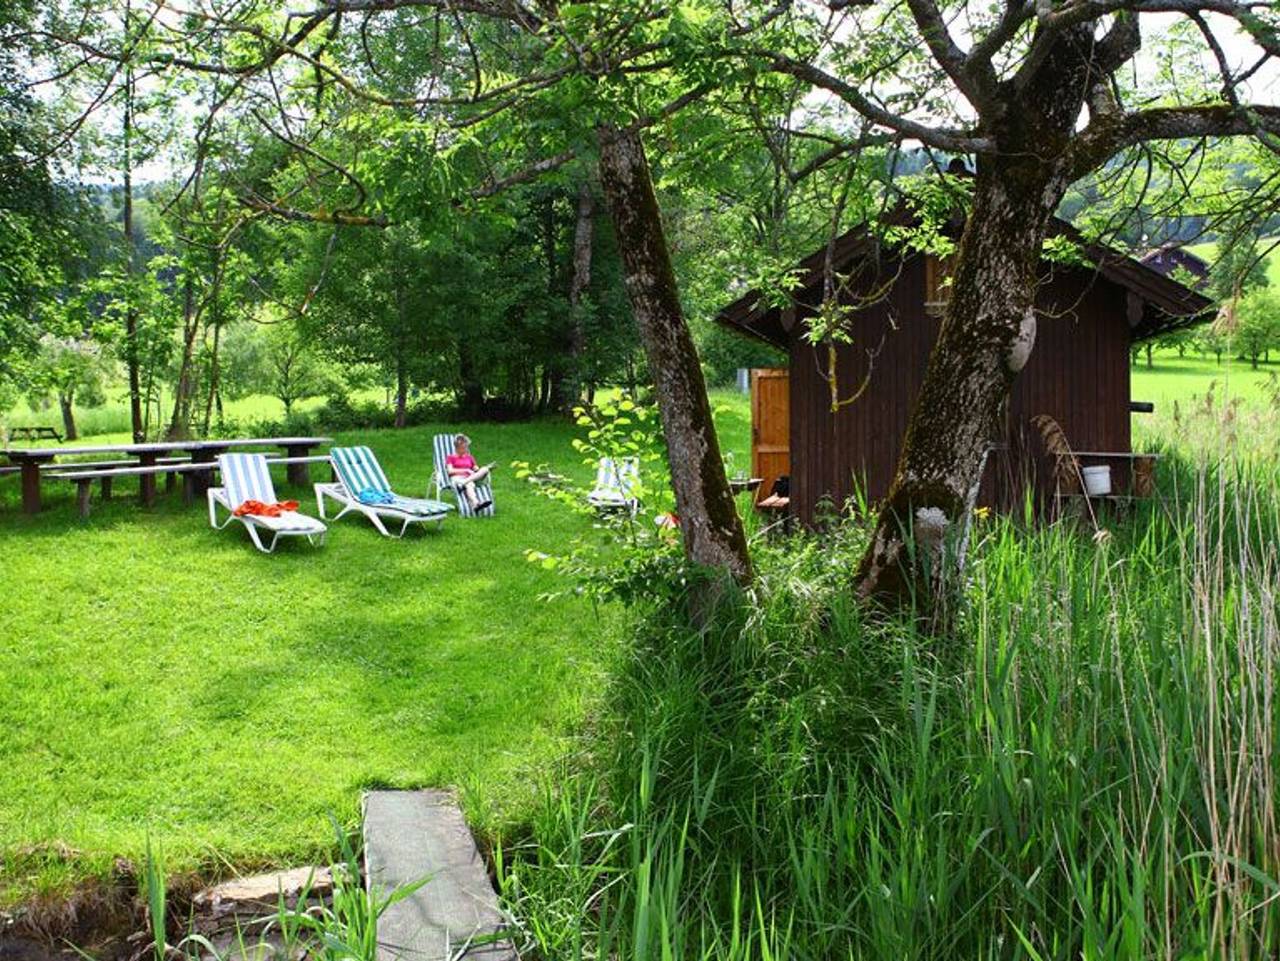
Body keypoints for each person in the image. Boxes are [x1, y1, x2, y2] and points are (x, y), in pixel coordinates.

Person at [445, 434, 495, 512]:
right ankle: (476, 504)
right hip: (458, 478)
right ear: (457, 447)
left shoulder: (469, 457)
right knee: (469, 485)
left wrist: (486, 469)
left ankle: (464, 483)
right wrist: (465, 470)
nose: (466, 449)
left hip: (469, 478)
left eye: (467, 447)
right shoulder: (450, 457)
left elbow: (476, 469)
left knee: (485, 469)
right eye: (464, 447)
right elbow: (450, 471)